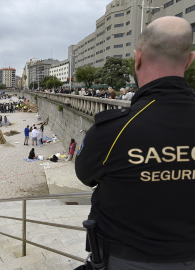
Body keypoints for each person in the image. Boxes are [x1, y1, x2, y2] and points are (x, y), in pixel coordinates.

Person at [75, 16, 195, 270]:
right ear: (190, 60)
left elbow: (87, 175)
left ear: (137, 58)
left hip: (126, 258)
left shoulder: (113, 129)